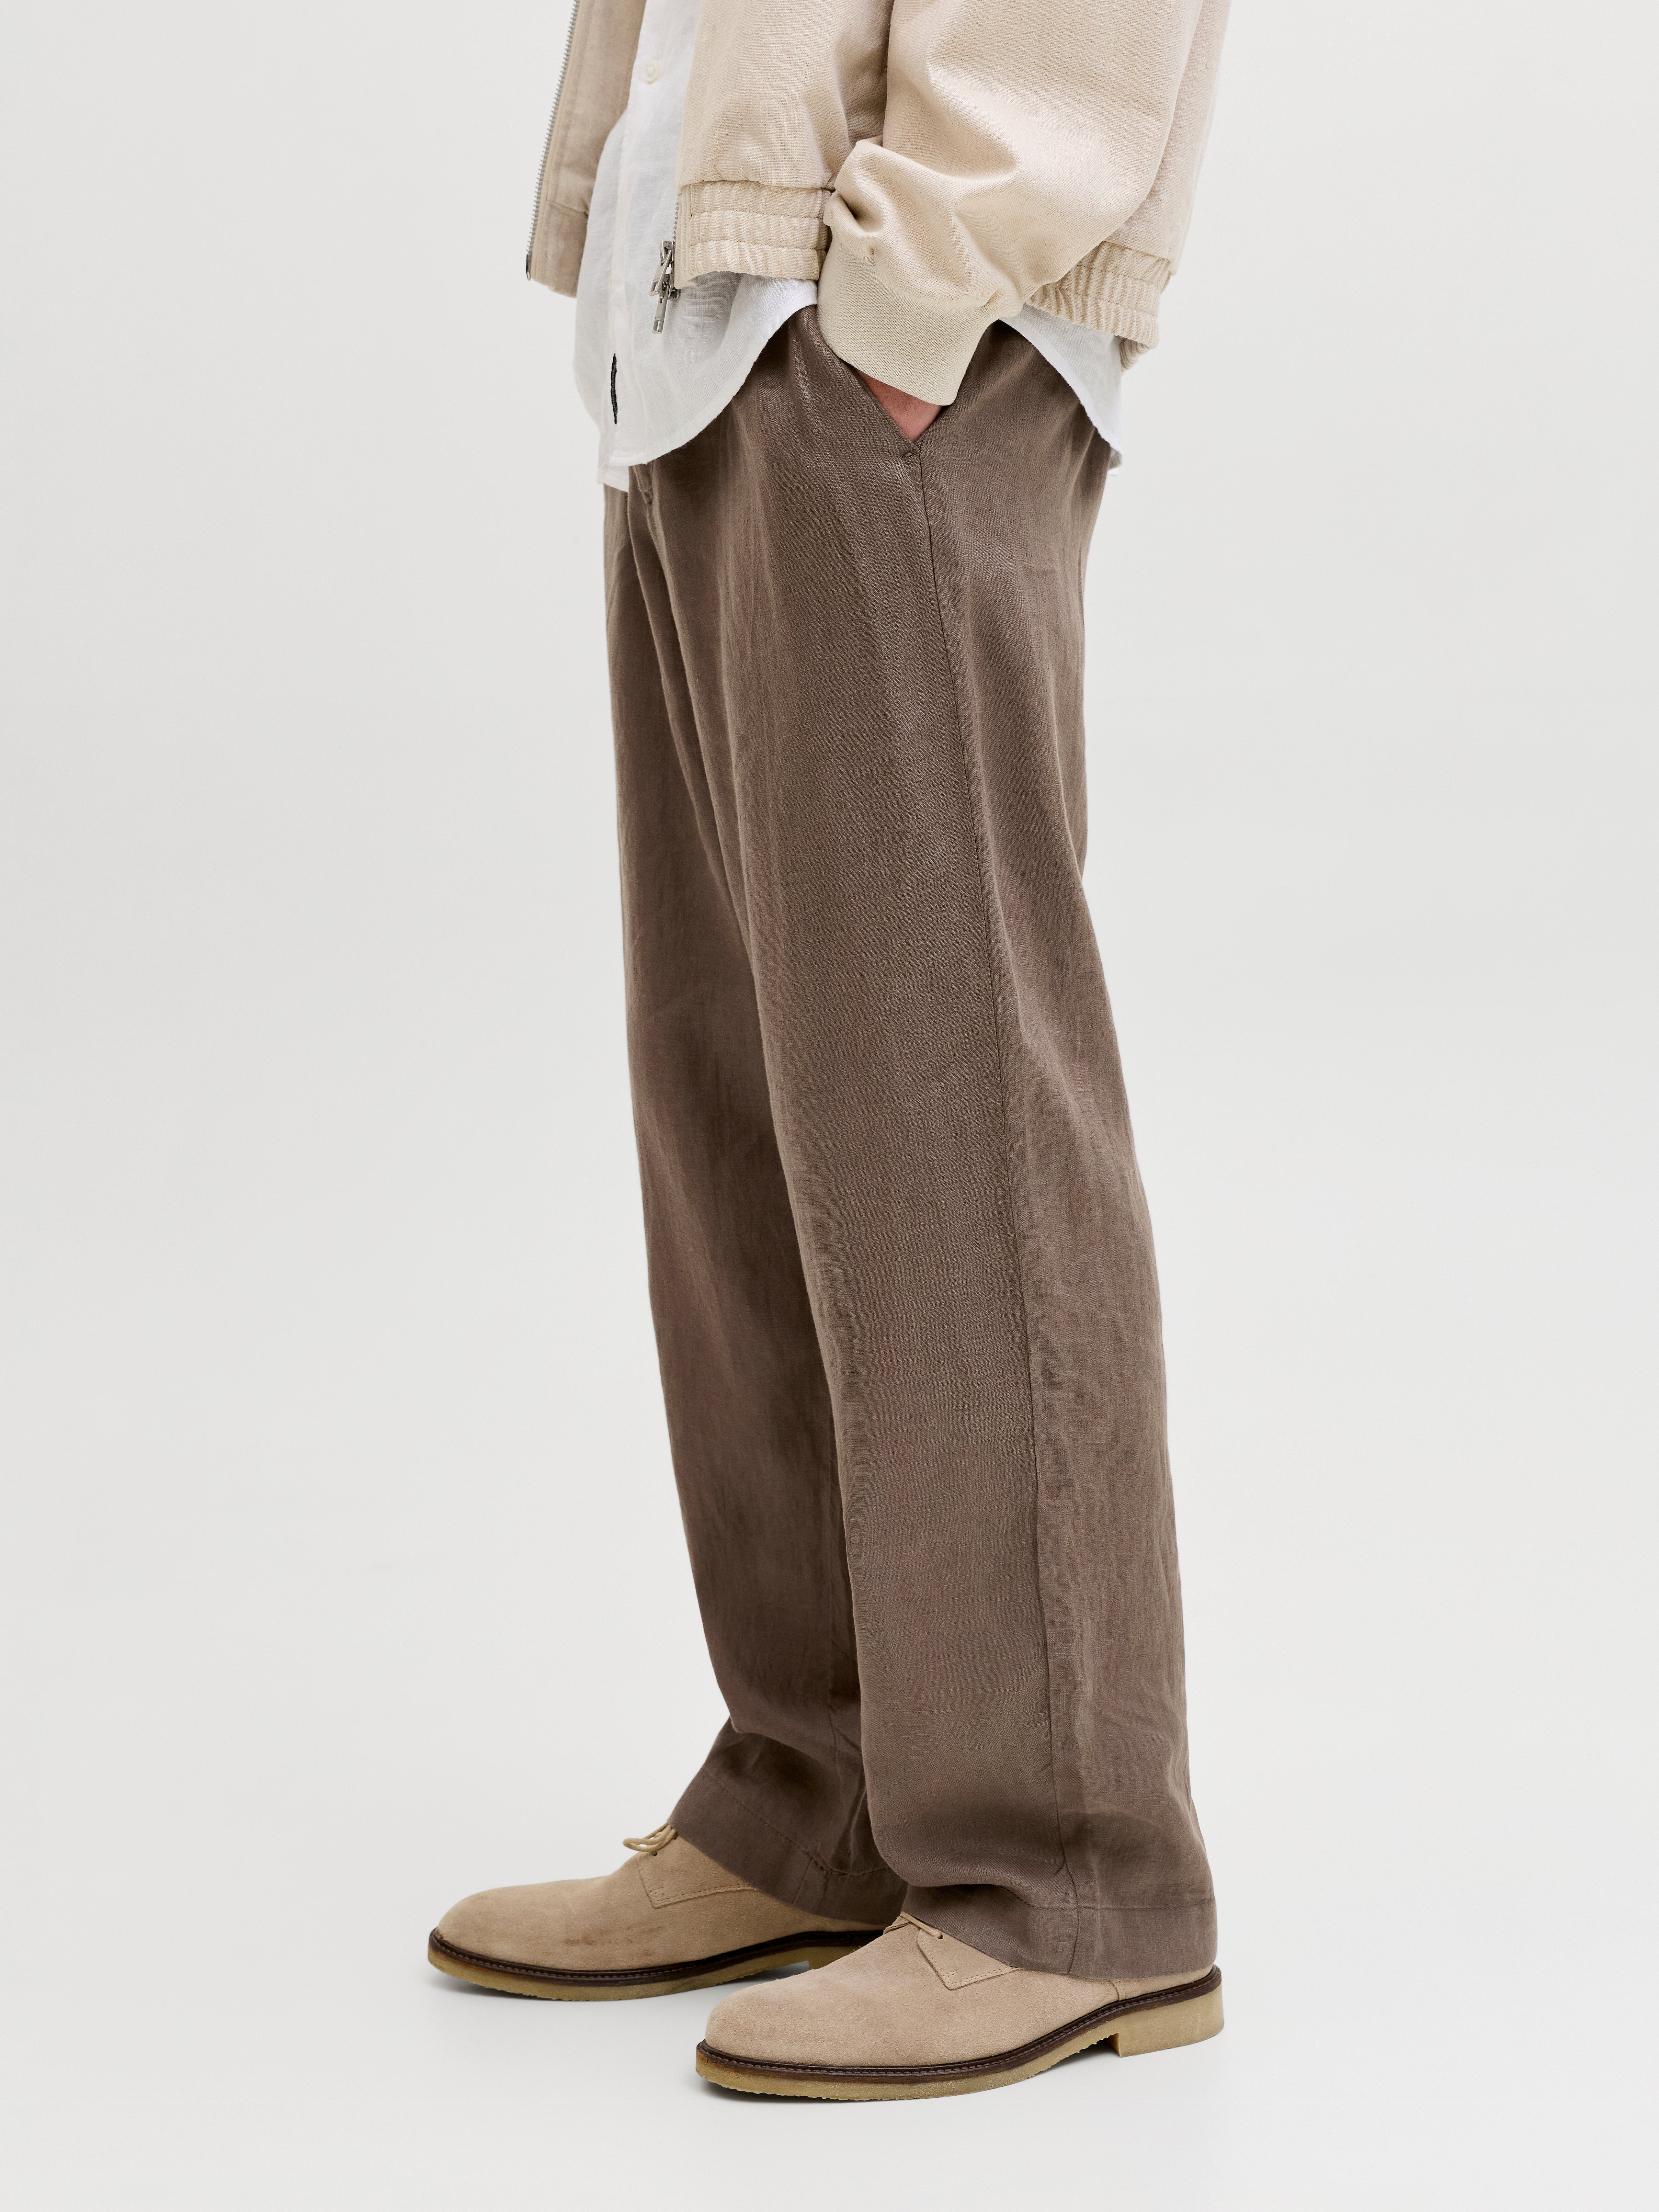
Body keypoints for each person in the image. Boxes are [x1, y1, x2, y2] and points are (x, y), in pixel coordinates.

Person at [430, 0, 1231, 2102]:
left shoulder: (899, 315)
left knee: (954, 1120)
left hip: (892, 324)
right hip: (715, 315)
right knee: (749, 1116)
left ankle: (1068, 1874)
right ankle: (829, 1787)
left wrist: (918, 278)